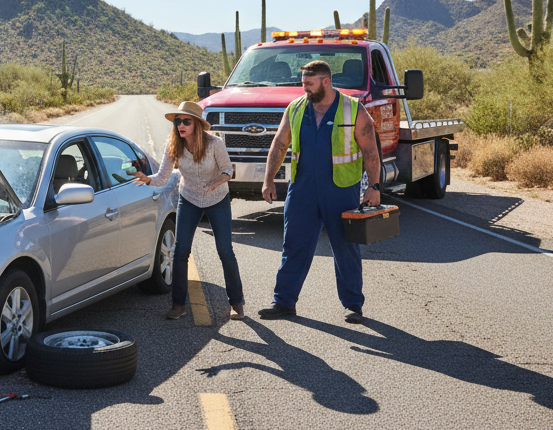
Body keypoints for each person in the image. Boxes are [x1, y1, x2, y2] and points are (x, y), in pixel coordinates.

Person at [258, 59, 381, 324]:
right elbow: (279, 144)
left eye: (309, 84)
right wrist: (268, 179)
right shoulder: (296, 108)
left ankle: (353, 305)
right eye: (302, 84)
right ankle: (283, 302)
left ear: (326, 82)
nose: (305, 89)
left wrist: (374, 186)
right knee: (293, 245)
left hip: (340, 189)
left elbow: (371, 151)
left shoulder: (353, 109)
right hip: (302, 189)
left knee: (345, 247)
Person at [133, 101, 246, 321]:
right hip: (190, 198)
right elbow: (163, 177)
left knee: (225, 251)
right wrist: (147, 180)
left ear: (197, 124)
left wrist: (216, 181)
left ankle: (236, 302)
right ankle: (178, 305)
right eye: (178, 121)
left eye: (186, 121)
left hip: (217, 198)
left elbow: (227, 171)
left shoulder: (215, 144)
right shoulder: (173, 144)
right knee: (180, 250)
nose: (181, 125)